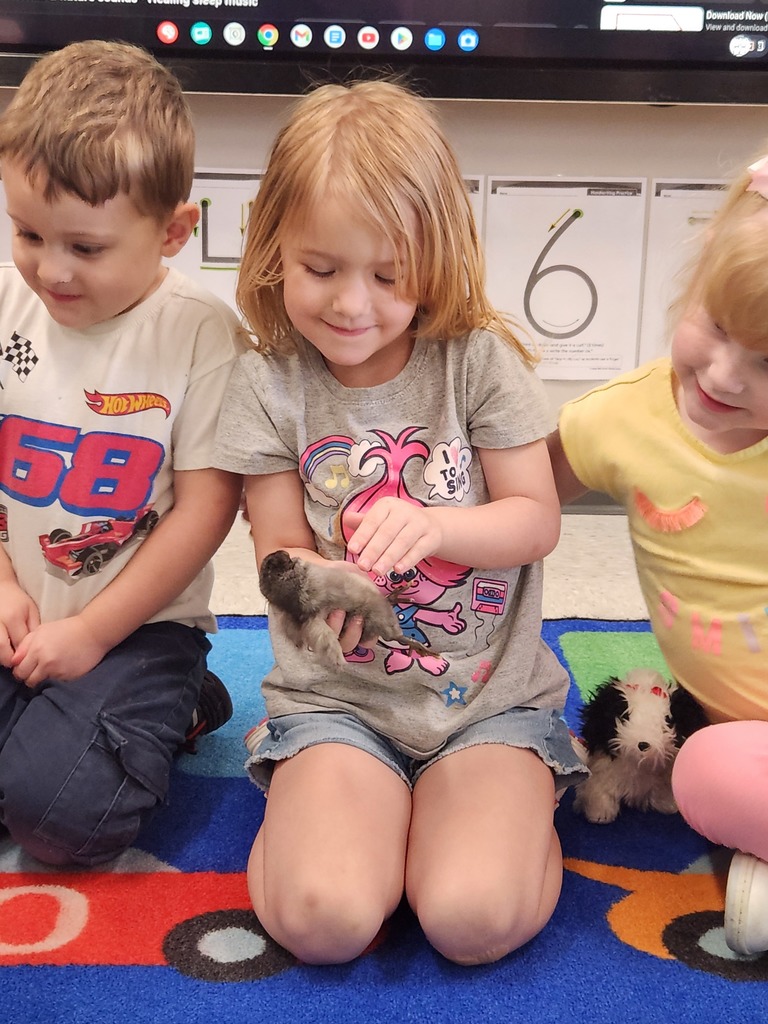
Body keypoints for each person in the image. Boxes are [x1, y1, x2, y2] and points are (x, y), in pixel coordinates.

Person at [214, 78, 588, 967]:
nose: (353, 305)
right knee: (325, 922)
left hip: (488, 703)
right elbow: (278, 552)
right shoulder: (266, 385)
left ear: (438, 260)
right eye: (321, 269)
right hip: (339, 702)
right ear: (272, 252)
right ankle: (327, 809)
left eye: (389, 276)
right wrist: (323, 585)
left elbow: (535, 520)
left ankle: (499, 808)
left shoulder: (479, 361)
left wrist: (435, 527)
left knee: (469, 920)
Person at [0, 40, 245, 866]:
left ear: (174, 231)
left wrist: (98, 634)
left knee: (59, 819)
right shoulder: (7, 302)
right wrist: (0, 584)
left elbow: (209, 509)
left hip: (140, 628)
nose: (50, 270)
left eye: (86, 247)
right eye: (27, 233)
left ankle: (184, 699)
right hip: (20, 611)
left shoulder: (201, 334)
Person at [547, 149, 768, 957]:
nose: (723, 373)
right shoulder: (624, 417)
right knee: (703, 774)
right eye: (713, 325)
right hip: (722, 732)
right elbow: (523, 490)